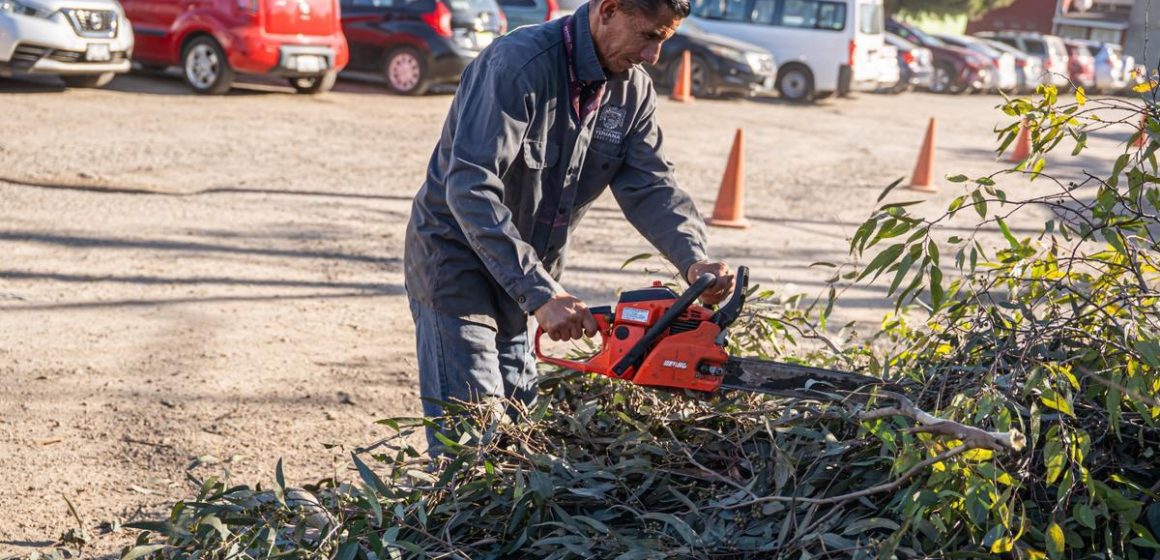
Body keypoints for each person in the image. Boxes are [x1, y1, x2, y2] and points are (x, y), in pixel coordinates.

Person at [404, 0, 732, 451]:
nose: (654, 56)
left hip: (526, 282)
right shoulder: (518, 65)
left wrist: (694, 261)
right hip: (457, 267)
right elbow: (470, 189)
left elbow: (652, 185)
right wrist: (541, 293)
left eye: (664, 39)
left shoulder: (630, 92)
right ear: (609, 10)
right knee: (474, 441)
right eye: (649, 36)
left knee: (522, 434)